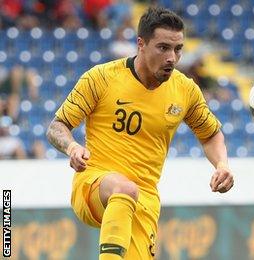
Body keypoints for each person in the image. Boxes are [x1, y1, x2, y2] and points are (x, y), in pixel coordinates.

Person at [46, 7, 233, 259]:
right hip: (95, 184)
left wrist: (222, 164)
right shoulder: (101, 78)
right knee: (125, 189)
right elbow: (57, 126)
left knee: (132, 195)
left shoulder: (185, 90)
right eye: (163, 47)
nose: (172, 58)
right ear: (141, 44)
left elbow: (211, 134)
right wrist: (72, 147)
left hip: (144, 201)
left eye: (178, 49)